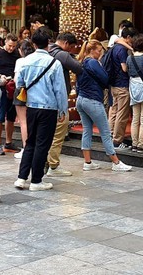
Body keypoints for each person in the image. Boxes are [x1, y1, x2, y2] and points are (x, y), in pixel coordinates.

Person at [13, 27, 66, 191]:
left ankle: (21, 178)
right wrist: (63, 110)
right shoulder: (54, 63)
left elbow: (19, 83)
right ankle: (36, 180)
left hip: (31, 107)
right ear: (48, 43)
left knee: (30, 142)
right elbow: (60, 90)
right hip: (49, 108)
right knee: (43, 144)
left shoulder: (25, 61)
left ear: (34, 43)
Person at [76, 39, 132, 171]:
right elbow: (105, 78)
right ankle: (116, 162)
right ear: (92, 50)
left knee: (87, 130)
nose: (101, 53)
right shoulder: (93, 62)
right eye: (99, 50)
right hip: (93, 100)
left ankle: (88, 162)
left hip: (81, 99)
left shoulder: (82, 62)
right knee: (105, 132)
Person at [46, 31, 83, 176]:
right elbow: (79, 68)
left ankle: (46, 162)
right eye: (72, 47)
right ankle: (53, 165)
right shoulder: (61, 54)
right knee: (59, 132)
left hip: (44, 100)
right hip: (58, 100)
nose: (71, 51)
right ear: (66, 43)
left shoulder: (46, 52)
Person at [107, 27, 136, 150]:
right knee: (122, 114)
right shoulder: (122, 50)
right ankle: (117, 141)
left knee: (113, 111)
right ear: (128, 37)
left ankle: (110, 135)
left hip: (113, 84)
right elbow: (124, 68)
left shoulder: (114, 47)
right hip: (122, 85)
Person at [0, 34, 20, 154]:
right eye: (10, 45)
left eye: (14, 46)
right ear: (5, 42)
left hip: (13, 88)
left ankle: (8, 142)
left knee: (11, 117)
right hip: (1, 87)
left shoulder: (16, 55)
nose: (11, 48)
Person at [12, 39, 35, 159]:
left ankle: (26, 148)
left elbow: (17, 80)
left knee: (23, 122)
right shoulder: (35, 60)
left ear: (21, 50)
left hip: (21, 92)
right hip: (34, 92)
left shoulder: (20, 61)